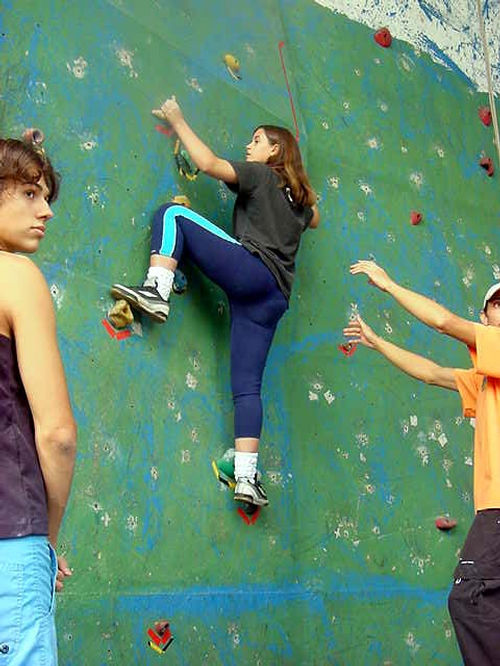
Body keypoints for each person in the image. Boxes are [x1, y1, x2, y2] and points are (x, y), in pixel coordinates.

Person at [111, 96, 319, 507]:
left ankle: (156, 290)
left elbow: (207, 163)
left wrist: (178, 119)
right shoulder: (299, 203)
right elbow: (315, 216)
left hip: (252, 271)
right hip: (272, 299)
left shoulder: (261, 175)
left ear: (274, 151)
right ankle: (246, 477)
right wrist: (305, 191)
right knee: (247, 389)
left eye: (257, 140)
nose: (249, 146)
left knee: (173, 216)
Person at [345, 259, 500, 665]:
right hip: (493, 509)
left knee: (470, 597)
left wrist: (389, 284)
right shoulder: (485, 379)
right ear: (483, 317)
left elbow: (446, 322)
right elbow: (431, 372)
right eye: (498, 304)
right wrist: (379, 343)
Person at [0, 137, 77, 664]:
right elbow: (57, 435)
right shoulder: (17, 277)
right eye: (30, 193)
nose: (46, 210)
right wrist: (46, 541)